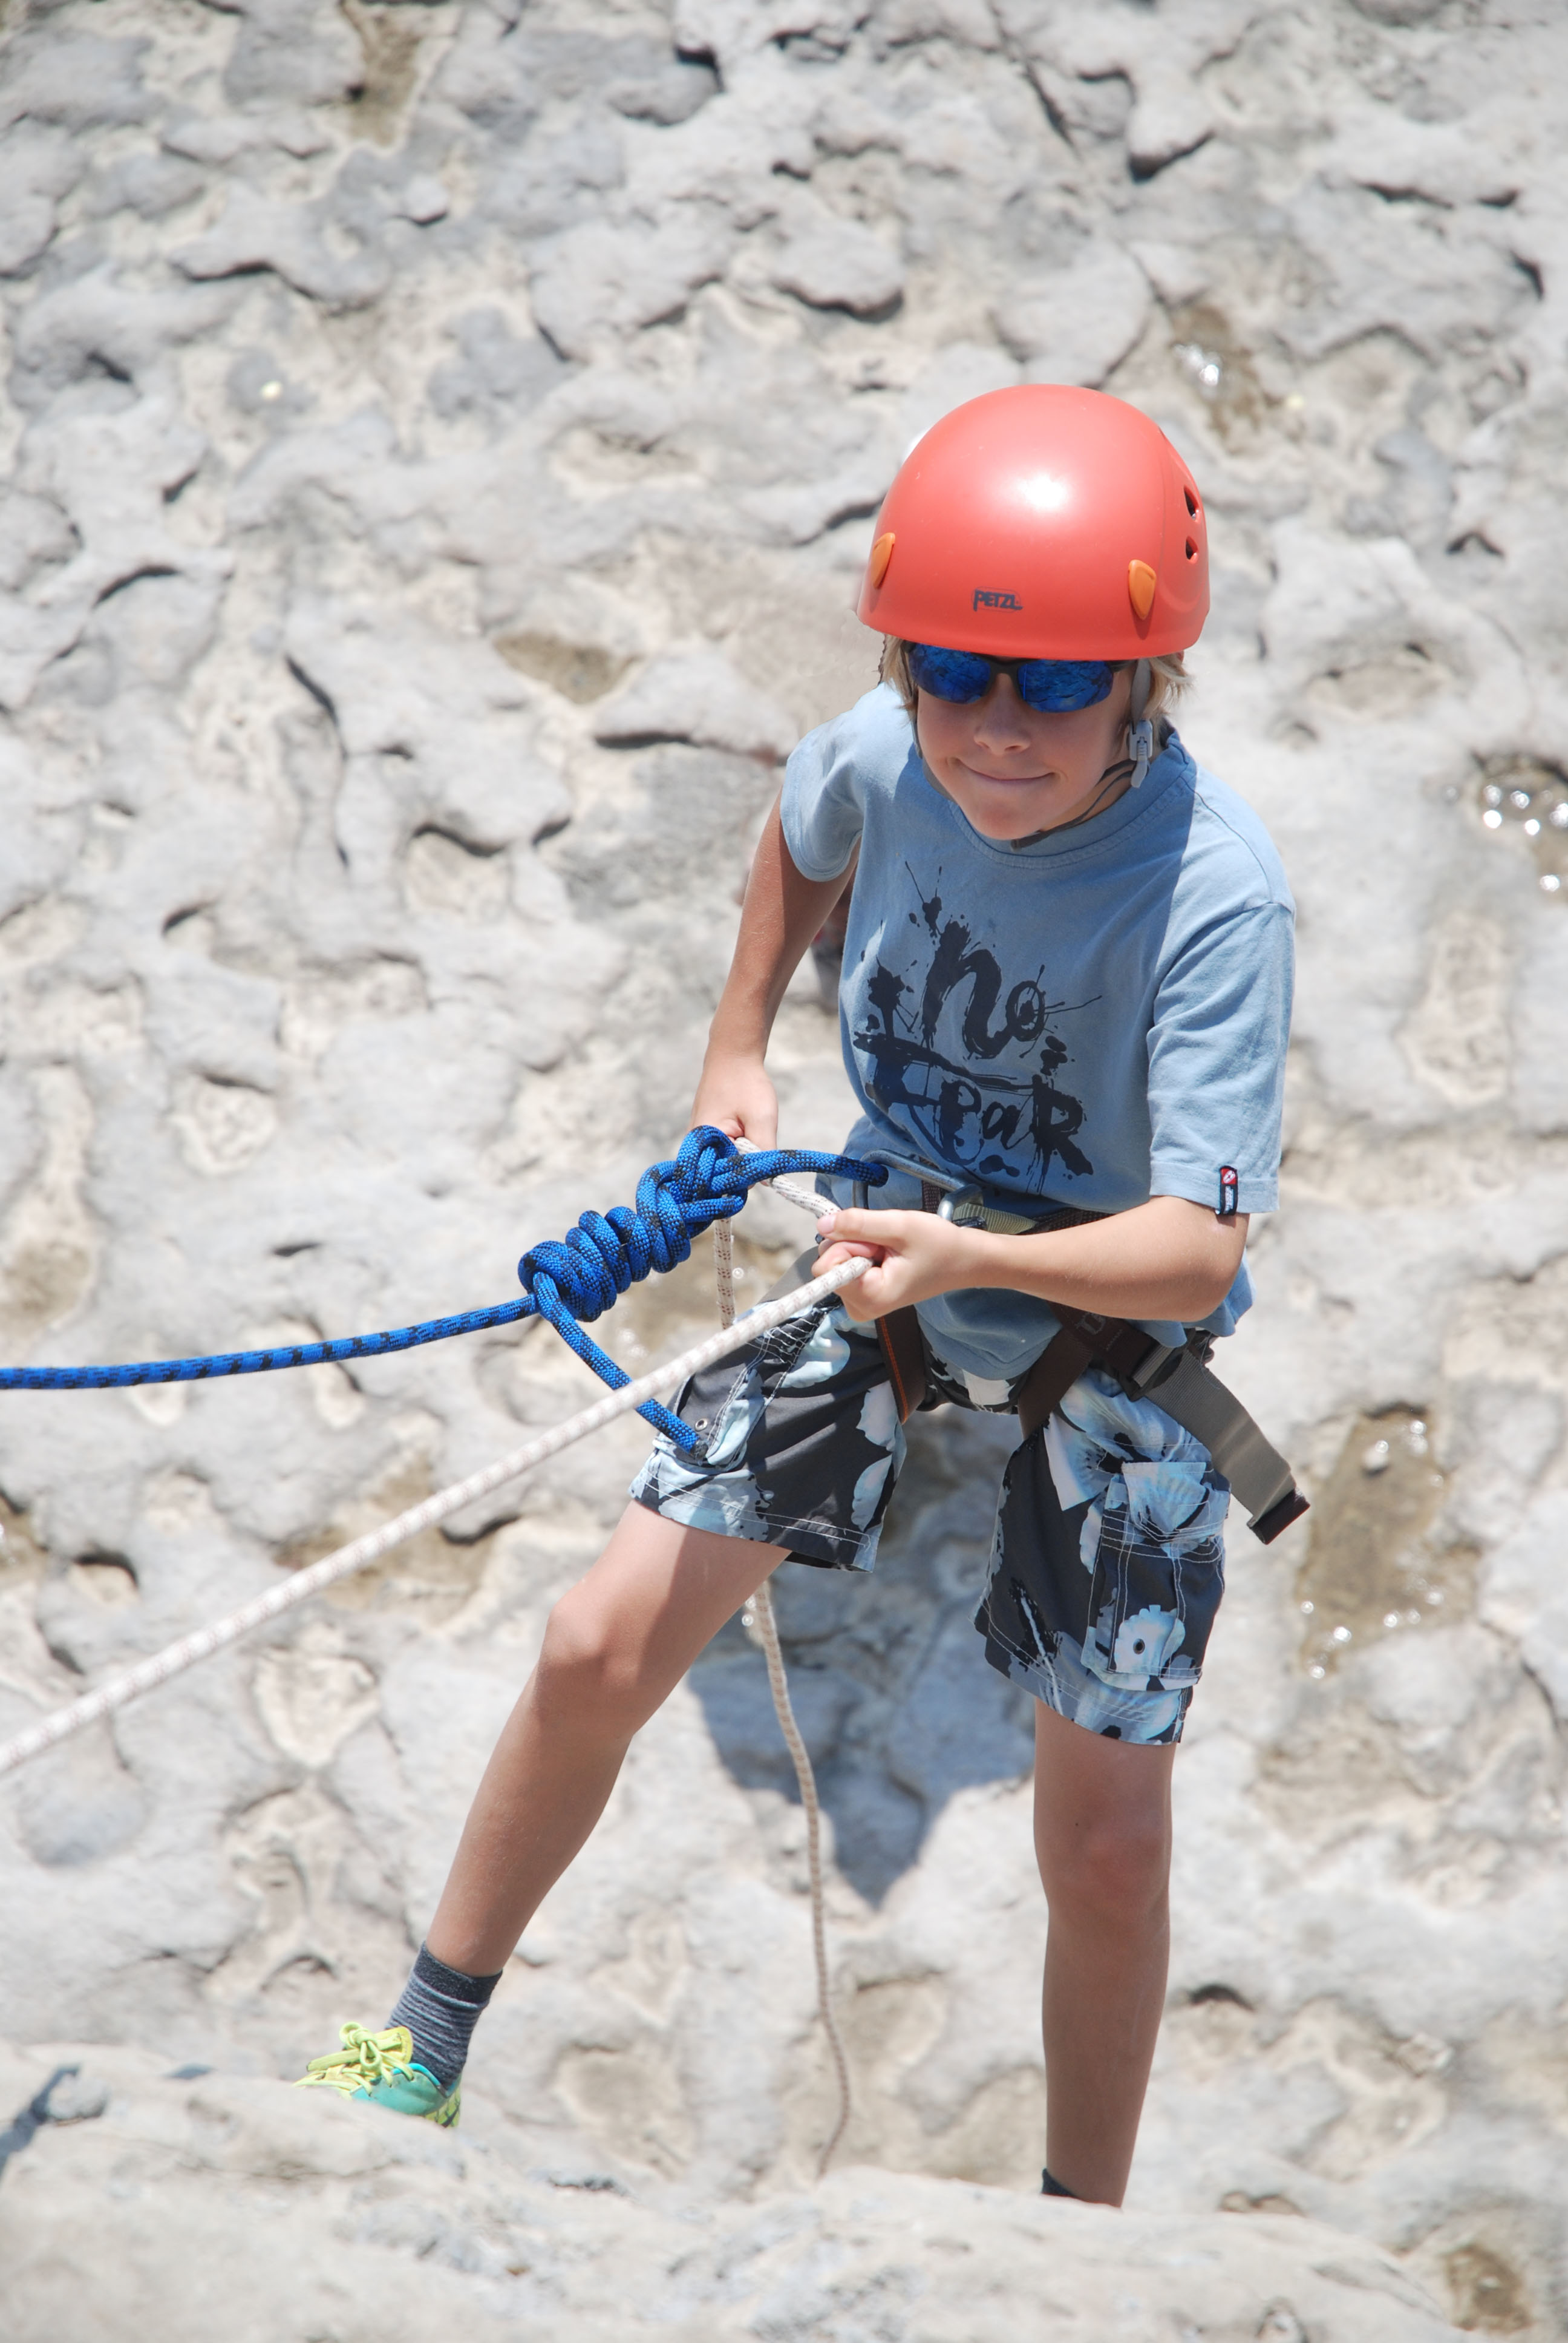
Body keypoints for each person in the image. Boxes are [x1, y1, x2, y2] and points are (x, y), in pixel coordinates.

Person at [296, 385, 1294, 2209]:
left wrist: (979, 1258)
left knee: (1110, 1844)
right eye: (951, 673)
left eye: (1061, 687)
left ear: (1147, 682)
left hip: (1096, 1306)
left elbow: (1200, 1248)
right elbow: (803, 820)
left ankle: (1085, 2233)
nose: (997, 731)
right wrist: (735, 1042)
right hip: (884, 1238)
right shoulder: (888, 747)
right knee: (595, 1646)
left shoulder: (1215, 898)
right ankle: (420, 2048)